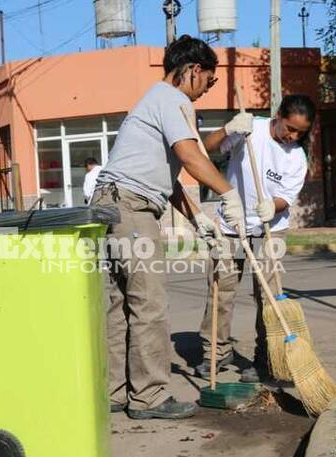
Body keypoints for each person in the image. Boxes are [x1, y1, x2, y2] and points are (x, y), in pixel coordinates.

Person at [91, 35, 252, 419]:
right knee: (149, 302)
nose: (205, 91)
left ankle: (114, 391)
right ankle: (149, 397)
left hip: (111, 203)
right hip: (130, 207)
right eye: (209, 82)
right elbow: (190, 155)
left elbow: (169, 176)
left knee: (120, 304)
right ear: (194, 71)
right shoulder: (173, 100)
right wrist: (229, 194)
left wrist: (196, 217)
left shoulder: (153, 101)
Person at [193, 94, 316, 383]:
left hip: (270, 230)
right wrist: (228, 129)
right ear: (278, 115)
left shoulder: (297, 157)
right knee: (220, 293)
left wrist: (273, 206)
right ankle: (216, 353)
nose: (293, 136)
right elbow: (205, 151)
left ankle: (265, 358)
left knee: (268, 297)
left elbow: (286, 197)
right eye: (290, 128)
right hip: (231, 226)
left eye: (300, 132)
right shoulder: (250, 129)